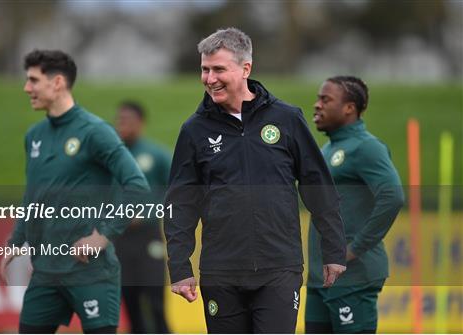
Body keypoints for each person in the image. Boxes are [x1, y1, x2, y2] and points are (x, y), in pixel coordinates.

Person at [164, 27, 347, 333]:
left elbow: (318, 188)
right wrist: (180, 267)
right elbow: (181, 204)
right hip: (220, 271)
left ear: (245, 68)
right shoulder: (194, 130)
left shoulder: (287, 119)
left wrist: (333, 250)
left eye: (219, 69)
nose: (210, 79)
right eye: (205, 70)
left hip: (279, 267)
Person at [0, 49, 150, 334]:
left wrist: (104, 235)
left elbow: (137, 185)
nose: (26, 88)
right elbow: (33, 197)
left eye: (33, 80)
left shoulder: (95, 131)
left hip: (91, 272)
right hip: (45, 272)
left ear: (57, 83)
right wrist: (17, 239)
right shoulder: (34, 137)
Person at [305, 76, 405, 334]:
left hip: (353, 278)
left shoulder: (367, 147)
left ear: (349, 108)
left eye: (326, 99)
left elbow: (392, 197)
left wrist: (354, 248)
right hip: (320, 279)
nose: (317, 105)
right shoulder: (328, 149)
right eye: (318, 99)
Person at [113, 101, 171, 333]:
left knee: (155, 298)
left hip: (149, 236)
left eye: (128, 121)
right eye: (120, 120)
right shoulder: (112, 156)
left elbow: (176, 191)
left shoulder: (155, 155)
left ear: (141, 123)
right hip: (120, 238)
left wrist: (146, 212)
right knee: (130, 299)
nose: (122, 125)